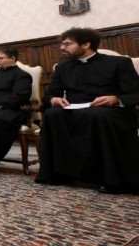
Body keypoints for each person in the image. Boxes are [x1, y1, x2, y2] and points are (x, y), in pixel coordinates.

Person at [35, 28, 139, 193]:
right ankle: (59, 174)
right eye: (62, 44)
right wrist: (54, 99)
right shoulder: (63, 68)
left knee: (96, 115)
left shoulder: (119, 63)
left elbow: (135, 93)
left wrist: (115, 99)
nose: (62, 47)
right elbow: (50, 95)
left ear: (86, 44)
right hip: (75, 110)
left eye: (67, 44)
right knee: (52, 114)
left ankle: (109, 178)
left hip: (110, 111)